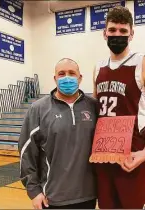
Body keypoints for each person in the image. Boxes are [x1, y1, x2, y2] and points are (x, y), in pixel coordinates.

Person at [93, 6, 145, 209]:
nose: (117, 35)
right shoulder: (98, 68)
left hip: (133, 158)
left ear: (131, 34)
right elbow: (96, 114)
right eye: (112, 30)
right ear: (104, 33)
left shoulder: (144, 63)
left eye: (123, 31)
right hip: (104, 160)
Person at [19, 58, 97, 209]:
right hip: (52, 197)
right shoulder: (38, 109)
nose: (67, 77)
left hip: (88, 195)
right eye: (61, 74)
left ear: (80, 78)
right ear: (55, 79)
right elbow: (26, 152)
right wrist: (34, 191)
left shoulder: (93, 106)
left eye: (72, 73)